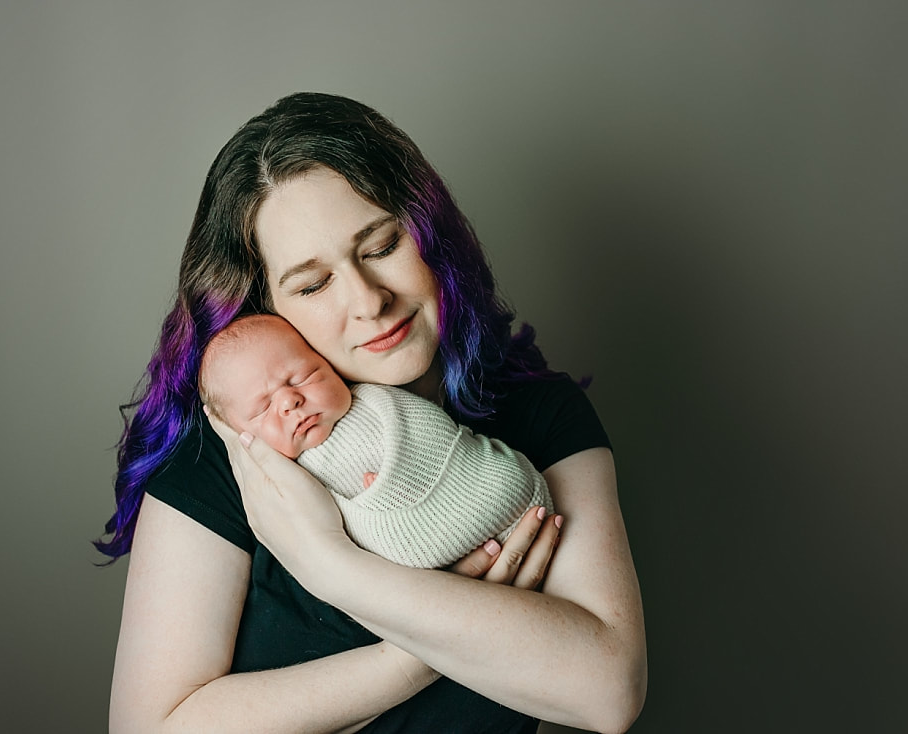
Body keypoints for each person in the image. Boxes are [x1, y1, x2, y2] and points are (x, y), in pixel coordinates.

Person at [99, 92, 646, 733]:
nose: (368, 299)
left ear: (432, 236)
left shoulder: (541, 418)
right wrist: (417, 654)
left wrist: (335, 568)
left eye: (382, 244)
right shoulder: (227, 458)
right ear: (266, 309)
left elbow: (609, 691)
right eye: (312, 284)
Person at [197, 313, 556, 569]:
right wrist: (380, 498)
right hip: (428, 558)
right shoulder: (282, 484)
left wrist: (403, 471)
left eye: (304, 376)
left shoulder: (376, 399)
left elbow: (431, 432)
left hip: (497, 488)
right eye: (262, 409)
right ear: (239, 437)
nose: (290, 401)